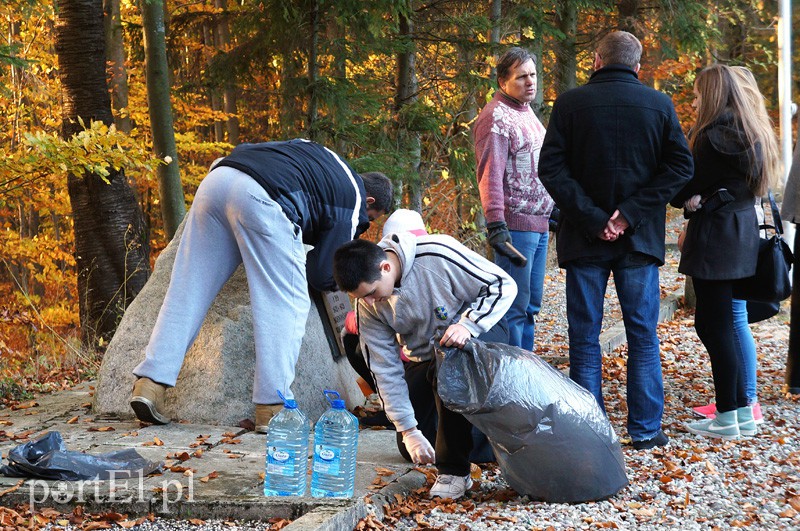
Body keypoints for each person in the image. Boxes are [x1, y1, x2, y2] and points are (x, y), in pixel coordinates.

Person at [129, 139, 393, 432]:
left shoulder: (322, 157)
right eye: (369, 221)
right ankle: (272, 406)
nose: (363, 224)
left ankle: (150, 384)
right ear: (370, 203)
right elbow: (321, 273)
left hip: (217, 180)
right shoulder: (353, 198)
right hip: (263, 199)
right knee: (284, 303)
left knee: (186, 291)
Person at [538, 31, 694, 450]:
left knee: (584, 336)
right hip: (638, 240)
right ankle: (644, 431)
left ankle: (593, 434)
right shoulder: (659, 105)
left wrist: (594, 218)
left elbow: (550, 168)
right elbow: (681, 168)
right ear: (638, 66)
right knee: (642, 333)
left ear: (596, 61)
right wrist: (628, 215)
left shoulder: (570, 104)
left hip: (585, 238)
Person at [332, 234, 516, 499]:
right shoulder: (367, 305)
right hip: (425, 357)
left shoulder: (437, 254)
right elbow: (384, 370)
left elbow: (502, 284)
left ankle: (454, 471)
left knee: (451, 366)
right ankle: (490, 442)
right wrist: (408, 430)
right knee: (416, 447)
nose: (370, 302)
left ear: (385, 267)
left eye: (371, 293)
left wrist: (468, 325)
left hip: (476, 333)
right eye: (361, 298)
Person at [671, 64, 780, 439]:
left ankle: (730, 415)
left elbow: (680, 189)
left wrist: (690, 202)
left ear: (714, 94)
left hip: (716, 237)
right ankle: (740, 413)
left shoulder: (711, 137)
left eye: (700, 92)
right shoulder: (751, 132)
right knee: (725, 324)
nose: (697, 99)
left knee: (713, 325)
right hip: (740, 233)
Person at [473, 47, 554, 350]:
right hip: (514, 227)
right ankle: (511, 378)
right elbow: (489, 173)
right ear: (503, 81)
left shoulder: (525, 110)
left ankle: (529, 372)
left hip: (540, 222)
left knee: (532, 306)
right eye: (521, 77)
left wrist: (552, 206)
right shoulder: (495, 117)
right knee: (513, 308)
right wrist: (495, 222)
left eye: (533, 75)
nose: (530, 82)